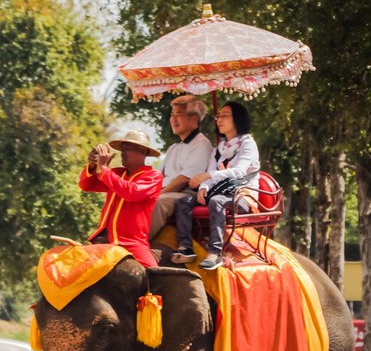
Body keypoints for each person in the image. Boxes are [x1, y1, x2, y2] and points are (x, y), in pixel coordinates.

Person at [171, 101, 261, 270]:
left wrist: (208, 176)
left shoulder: (248, 144)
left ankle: (215, 252)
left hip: (242, 196)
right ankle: (185, 247)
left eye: (224, 115)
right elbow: (210, 173)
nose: (219, 119)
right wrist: (204, 187)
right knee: (184, 202)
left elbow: (240, 172)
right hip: (219, 192)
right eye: (218, 116)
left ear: (238, 119)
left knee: (216, 201)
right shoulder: (219, 148)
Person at [79, 128, 164, 267]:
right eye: (122, 149)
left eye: (128, 148)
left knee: (153, 276)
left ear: (142, 151)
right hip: (103, 239)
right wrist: (93, 166)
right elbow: (86, 185)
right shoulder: (116, 173)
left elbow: (131, 192)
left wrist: (104, 168)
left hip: (132, 243)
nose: (123, 153)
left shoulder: (153, 176)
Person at [148, 95, 214, 238]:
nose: (173, 119)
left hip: (186, 194)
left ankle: (139, 241)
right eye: (172, 114)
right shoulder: (173, 148)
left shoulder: (202, 144)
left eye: (179, 115)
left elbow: (184, 179)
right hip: (167, 191)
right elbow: (157, 176)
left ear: (194, 119)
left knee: (158, 202)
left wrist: (159, 194)